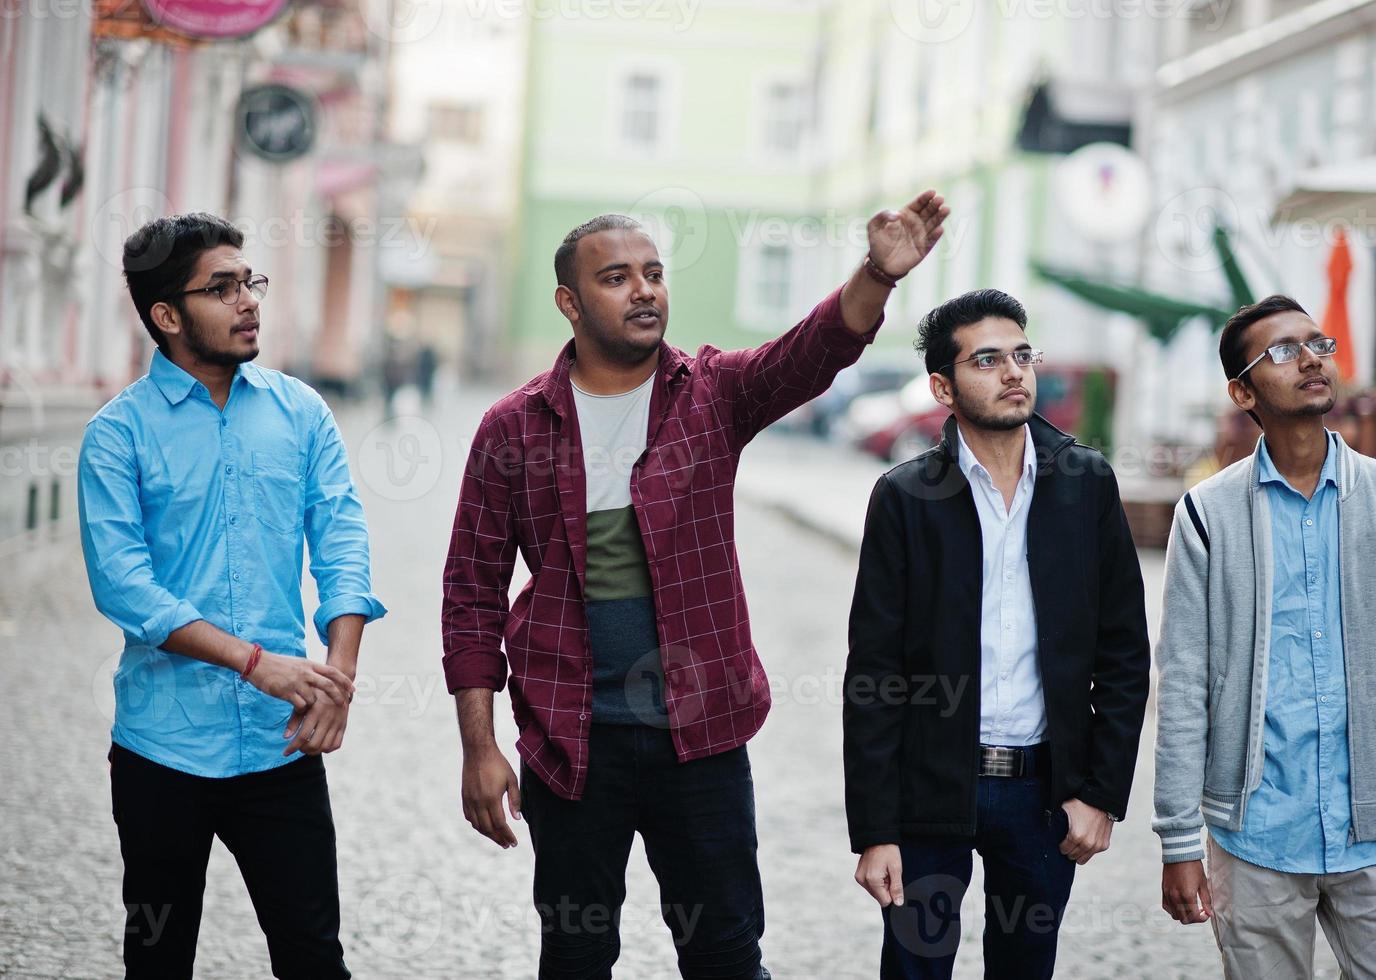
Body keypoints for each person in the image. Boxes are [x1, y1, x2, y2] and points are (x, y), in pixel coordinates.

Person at [442, 191, 949, 978]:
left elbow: (810, 351)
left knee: (723, 956)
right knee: (575, 954)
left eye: (653, 273)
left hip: (700, 737)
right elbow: (470, 594)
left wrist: (875, 277)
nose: (644, 289)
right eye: (616, 277)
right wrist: (479, 748)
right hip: (571, 740)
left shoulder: (711, 393)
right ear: (569, 303)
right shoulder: (513, 427)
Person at [78, 212, 386, 979]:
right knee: (157, 956)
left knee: (314, 959)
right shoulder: (117, 436)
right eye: (221, 288)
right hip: (163, 750)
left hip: (279, 749)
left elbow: (342, 542)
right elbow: (126, 588)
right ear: (167, 315)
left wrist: (336, 679)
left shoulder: (301, 413)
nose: (248, 301)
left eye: (250, 281)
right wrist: (257, 662)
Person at [843, 288, 1151, 979]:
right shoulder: (904, 497)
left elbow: (1124, 653)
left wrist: (1099, 792)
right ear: (942, 387)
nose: (1013, 372)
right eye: (986, 360)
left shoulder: (1084, 484)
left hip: (1042, 793)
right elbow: (873, 674)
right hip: (930, 789)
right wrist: (875, 831)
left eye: (1020, 354)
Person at [1153, 295, 1376, 978]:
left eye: (1316, 343)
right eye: (1283, 351)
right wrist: (1178, 842)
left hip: (1374, 834)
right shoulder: (1206, 514)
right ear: (1242, 390)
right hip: (1252, 833)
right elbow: (1181, 683)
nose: (1311, 358)